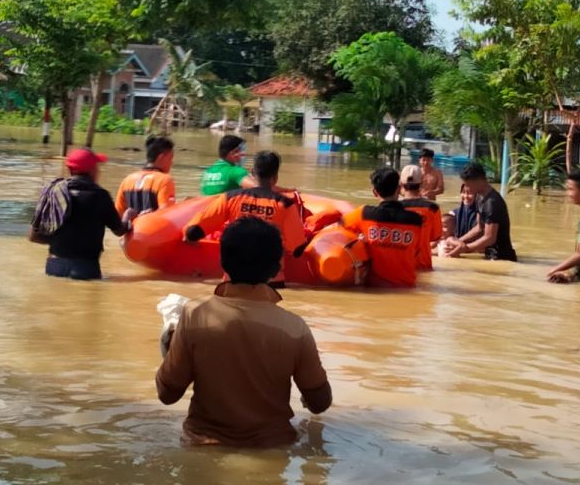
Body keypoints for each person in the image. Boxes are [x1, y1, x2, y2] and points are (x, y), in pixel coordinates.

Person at [155, 218, 332, 446]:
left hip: (204, 449)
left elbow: (167, 395)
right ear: (277, 268)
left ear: (222, 261)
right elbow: (320, 403)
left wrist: (169, 349)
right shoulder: (295, 328)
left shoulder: (194, 316)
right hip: (273, 451)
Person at [184, 150, 307, 285]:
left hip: (233, 280)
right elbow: (297, 249)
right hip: (271, 282)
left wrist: (189, 237)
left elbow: (194, 231)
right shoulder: (286, 205)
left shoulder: (230, 198)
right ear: (275, 177)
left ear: (252, 172)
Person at [29, 147, 129, 280]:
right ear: (92, 171)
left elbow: (33, 236)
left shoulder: (53, 193)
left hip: (54, 266)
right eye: (97, 167)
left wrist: (60, 241)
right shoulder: (101, 196)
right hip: (86, 268)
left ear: (69, 170)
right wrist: (128, 216)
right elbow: (119, 231)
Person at [341, 167, 424, 287]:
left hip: (375, 289)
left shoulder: (364, 213)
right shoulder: (416, 220)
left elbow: (341, 224)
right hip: (407, 287)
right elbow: (416, 252)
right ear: (399, 189)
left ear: (374, 192)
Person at [442, 163, 517, 261]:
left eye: (468, 184)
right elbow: (479, 228)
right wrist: (458, 242)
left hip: (502, 257)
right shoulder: (479, 197)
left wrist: (464, 248)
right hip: (489, 255)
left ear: (478, 181)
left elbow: (490, 238)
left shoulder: (492, 203)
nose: (467, 188)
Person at [115, 136, 176, 215]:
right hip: (153, 227)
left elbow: (118, 216)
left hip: (131, 227)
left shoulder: (127, 180)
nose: (171, 163)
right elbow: (167, 214)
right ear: (161, 157)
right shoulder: (165, 180)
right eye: (170, 159)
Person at [398, 164, 442, 269]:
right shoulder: (433, 208)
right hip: (423, 264)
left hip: (401, 265)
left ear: (401, 183)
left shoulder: (395, 207)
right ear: (421, 182)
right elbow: (435, 236)